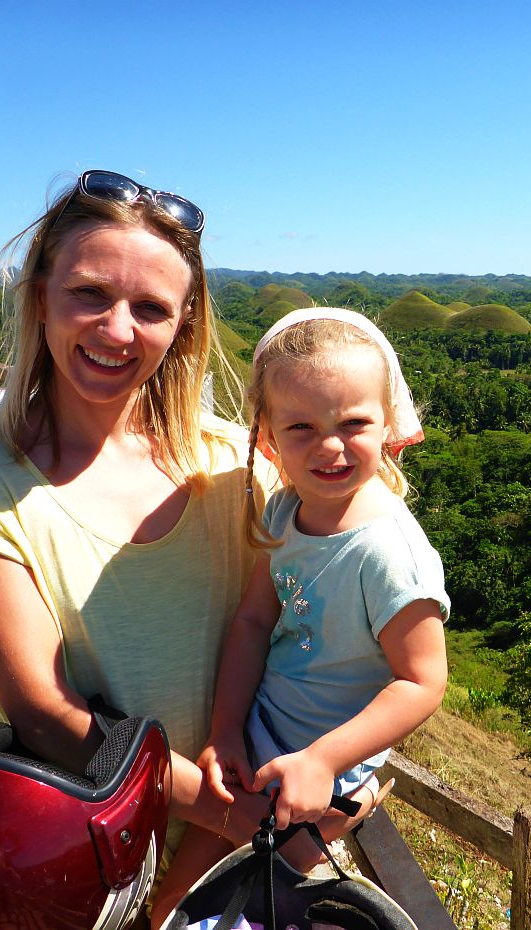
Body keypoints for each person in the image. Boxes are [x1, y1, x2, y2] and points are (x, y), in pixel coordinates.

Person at [0, 169, 277, 896]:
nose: (117, 330)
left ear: (185, 324)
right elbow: (45, 715)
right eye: (89, 294)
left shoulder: (240, 467)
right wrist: (245, 821)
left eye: (150, 307)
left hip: (232, 870)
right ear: (39, 294)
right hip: (72, 869)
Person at [150, 309, 449, 926]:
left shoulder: (388, 551)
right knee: (181, 901)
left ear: (388, 423)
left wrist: (324, 762)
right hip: (263, 738)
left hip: (326, 768)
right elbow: (254, 622)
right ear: (268, 439)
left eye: (354, 423)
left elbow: (423, 681)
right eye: (303, 427)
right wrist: (225, 731)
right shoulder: (287, 509)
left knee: (251, 902)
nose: (331, 446)